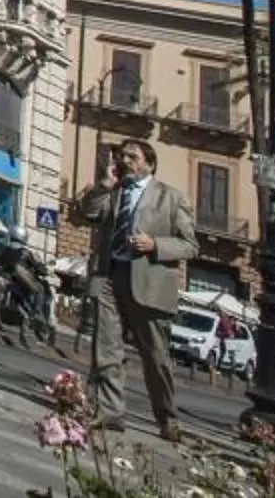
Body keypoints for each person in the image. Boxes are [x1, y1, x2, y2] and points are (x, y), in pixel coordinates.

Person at [74, 139, 198, 442]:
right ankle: (109, 412)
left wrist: (156, 245)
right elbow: (88, 211)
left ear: (149, 164)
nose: (125, 160)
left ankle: (167, 418)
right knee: (107, 351)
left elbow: (191, 245)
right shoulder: (114, 193)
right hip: (109, 277)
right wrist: (103, 184)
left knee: (156, 358)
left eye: (133, 156)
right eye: (122, 156)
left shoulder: (170, 198)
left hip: (150, 286)